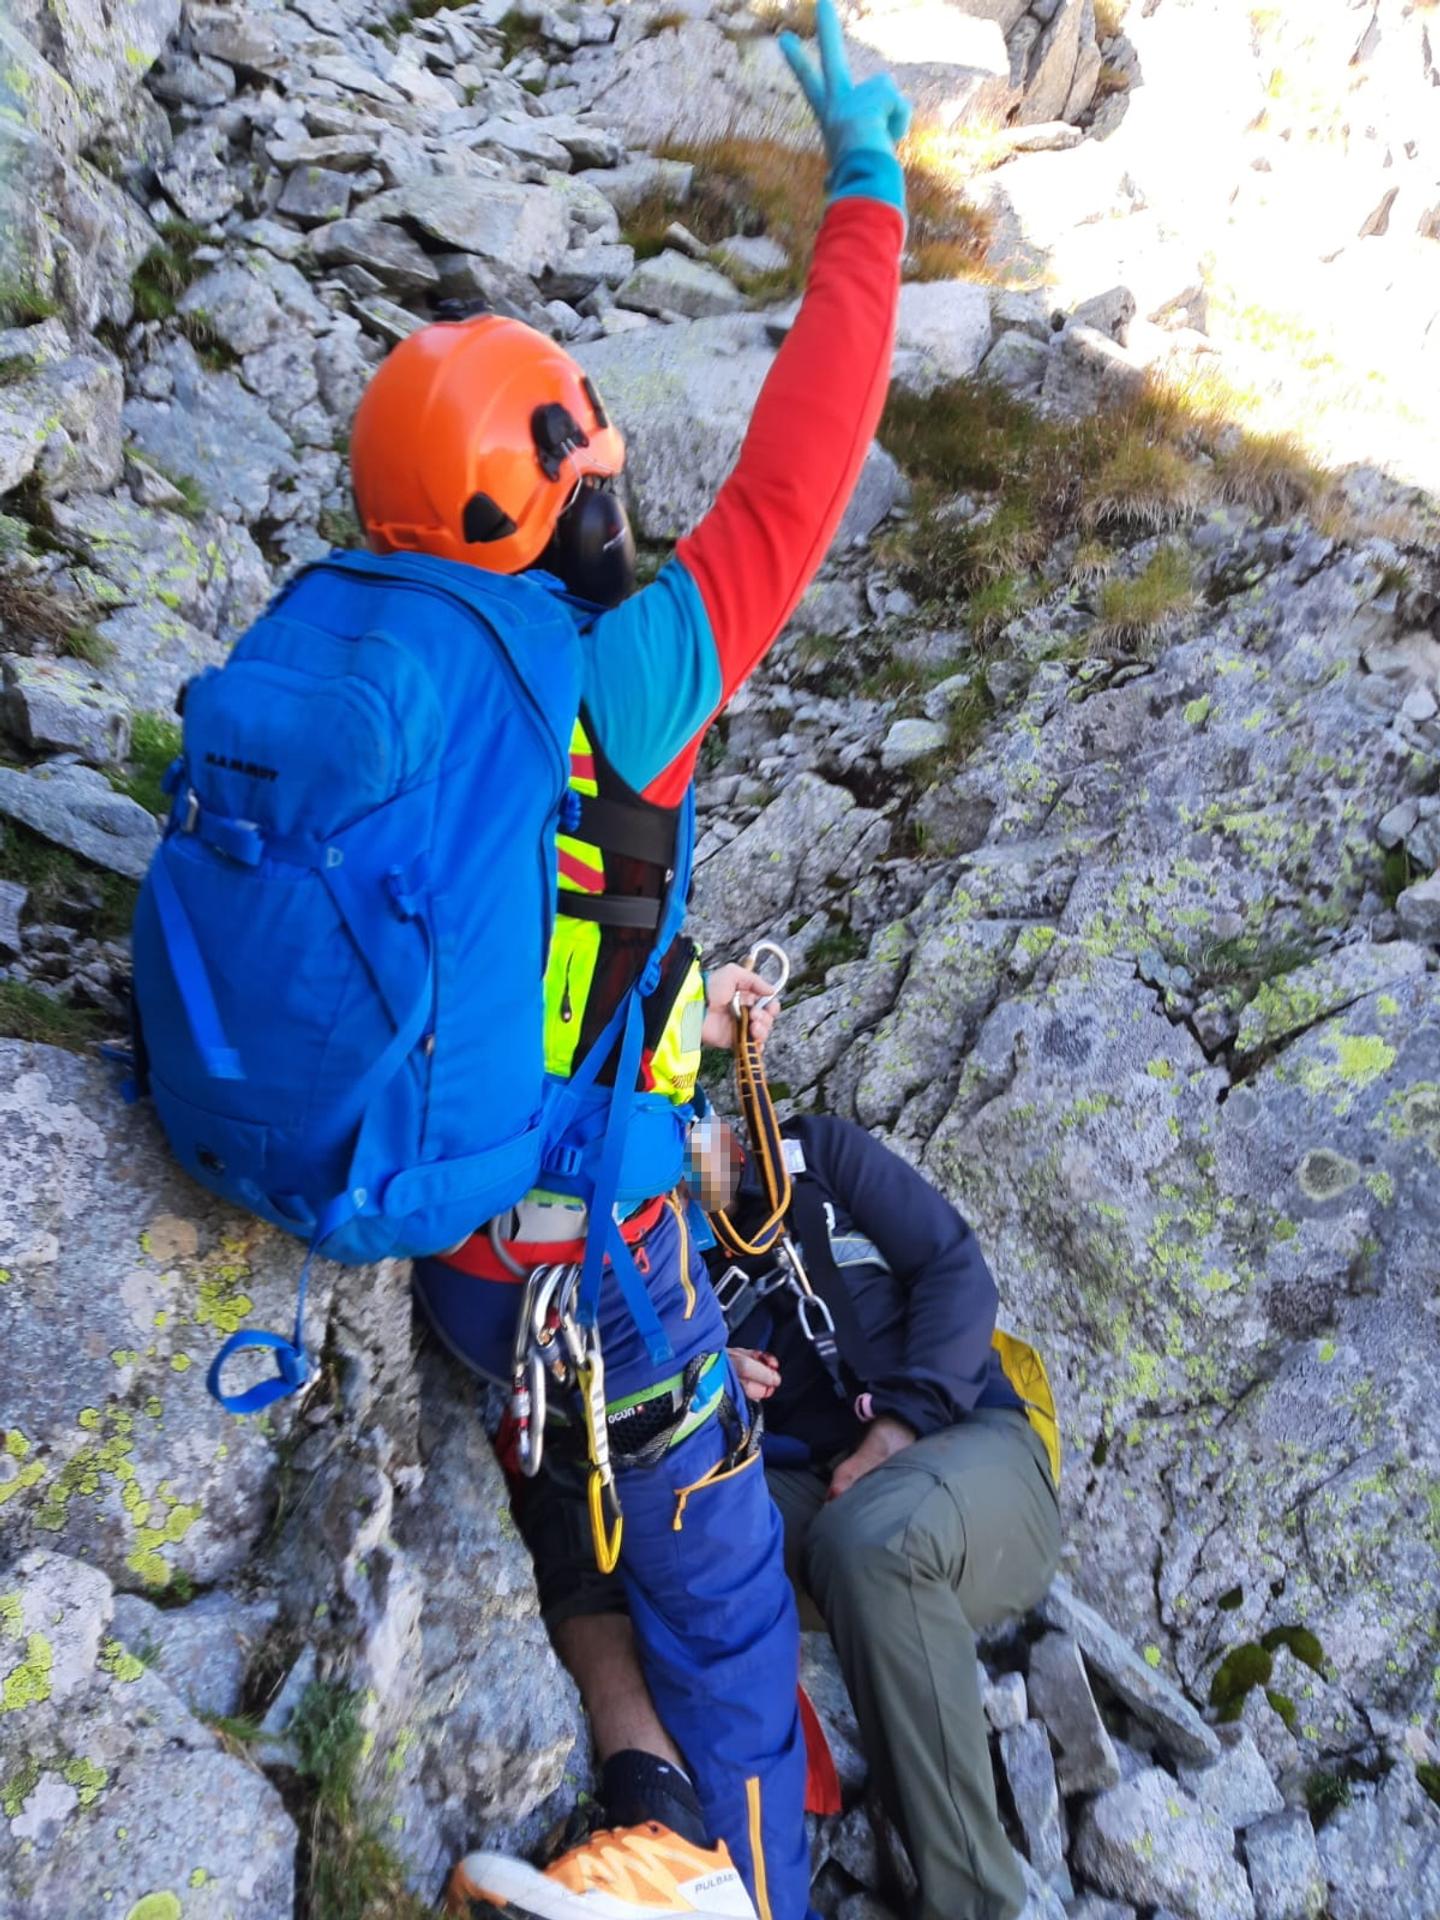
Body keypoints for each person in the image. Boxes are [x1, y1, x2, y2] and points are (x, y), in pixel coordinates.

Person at [344, 7, 914, 1916]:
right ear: (576, 485)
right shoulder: (636, 667)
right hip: (610, 1253)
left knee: (567, 1531)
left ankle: (632, 1794)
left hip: (448, 1256)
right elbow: (807, 453)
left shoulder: (387, 687)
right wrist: (868, 185)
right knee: (736, 1613)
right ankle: (713, 1873)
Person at [477, 1106, 1064, 1920]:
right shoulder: (663, 1251)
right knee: (643, 1531)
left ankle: (975, 1905)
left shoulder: (813, 1154)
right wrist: (712, 1371)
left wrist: (897, 1428)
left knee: (873, 1540)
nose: (700, 1156)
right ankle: (679, 1847)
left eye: (701, 1128)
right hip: (816, 1493)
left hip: (971, 1452)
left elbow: (954, 1268)